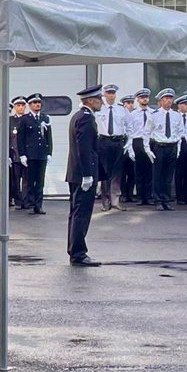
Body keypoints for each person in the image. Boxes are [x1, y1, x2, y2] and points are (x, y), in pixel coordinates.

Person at [67, 85, 102, 266]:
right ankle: (78, 253)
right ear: (90, 101)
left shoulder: (78, 116)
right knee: (81, 214)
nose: (101, 102)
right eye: (98, 99)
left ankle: (74, 249)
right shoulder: (86, 119)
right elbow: (84, 149)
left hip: (76, 174)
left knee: (76, 213)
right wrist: (87, 175)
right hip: (82, 175)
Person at [140, 88, 183, 211]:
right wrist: (148, 149)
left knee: (168, 176)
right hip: (159, 146)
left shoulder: (176, 115)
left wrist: (178, 148)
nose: (169, 101)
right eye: (166, 99)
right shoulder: (154, 115)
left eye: (170, 99)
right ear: (160, 101)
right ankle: (158, 200)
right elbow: (146, 133)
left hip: (172, 146)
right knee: (158, 175)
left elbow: (180, 132)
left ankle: (166, 199)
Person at [16, 93, 52, 214]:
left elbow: (48, 137)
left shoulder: (45, 118)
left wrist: (49, 152)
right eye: (35, 103)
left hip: (41, 154)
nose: (37, 105)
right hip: (30, 155)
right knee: (30, 181)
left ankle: (39, 205)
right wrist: (22, 154)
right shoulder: (24, 119)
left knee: (40, 181)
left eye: (39, 103)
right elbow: (20, 139)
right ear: (30, 105)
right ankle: (30, 204)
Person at [95, 85, 126, 210]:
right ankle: (105, 201)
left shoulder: (121, 109)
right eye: (109, 93)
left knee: (117, 172)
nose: (111, 95)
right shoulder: (99, 109)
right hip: (104, 141)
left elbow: (129, 125)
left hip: (118, 141)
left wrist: (127, 142)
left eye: (113, 93)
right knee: (105, 173)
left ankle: (115, 200)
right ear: (104, 94)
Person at [125, 88, 154, 206]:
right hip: (137, 142)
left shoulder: (153, 113)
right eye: (142, 97)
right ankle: (140, 197)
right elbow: (129, 132)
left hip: (150, 142)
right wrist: (130, 147)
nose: (144, 99)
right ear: (137, 99)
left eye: (146, 97)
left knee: (150, 170)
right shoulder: (132, 114)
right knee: (138, 170)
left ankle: (148, 196)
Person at [7, 97, 26, 208]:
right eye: (18, 105)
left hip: (26, 155)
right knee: (15, 179)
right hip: (15, 154)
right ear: (14, 107)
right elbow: (8, 139)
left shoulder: (28, 119)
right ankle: (18, 201)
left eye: (22, 105)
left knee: (27, 180)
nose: (21, 107)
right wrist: (8, 155)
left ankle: (26, 200)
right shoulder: (10, 121)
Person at [120, 94, 137, 203]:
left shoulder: (136, 114)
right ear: (124, 104)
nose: (130, 105)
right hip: (122, 142)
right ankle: (123, 194)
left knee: (132, 172)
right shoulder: (121, 114)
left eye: (131, 103)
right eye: (128, 103)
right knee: (122, 172)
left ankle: (130, 194)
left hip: (133, 143)